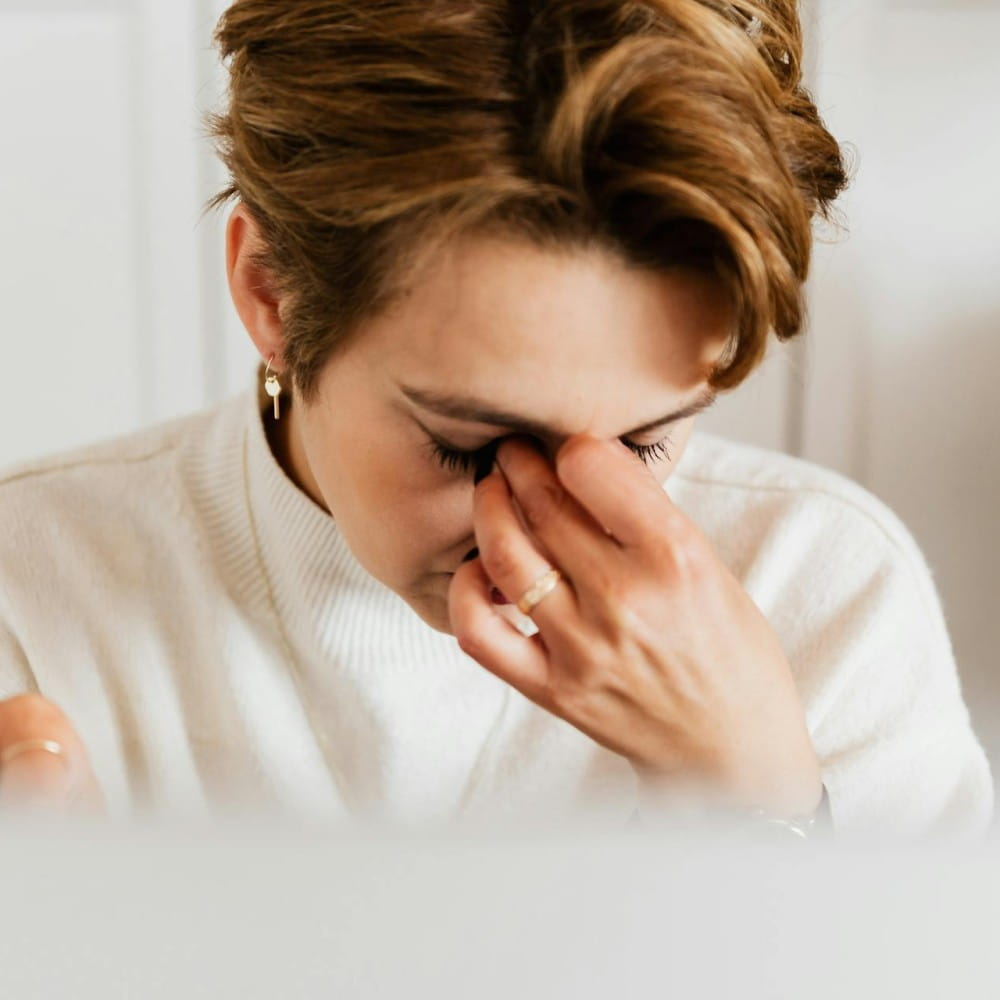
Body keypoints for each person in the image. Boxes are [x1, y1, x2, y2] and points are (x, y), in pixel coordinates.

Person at [0, 0, 991, 840]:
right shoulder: (33, 588)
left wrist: (761, 804)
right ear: (270, 294)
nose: (550, 527)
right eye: (470, 444)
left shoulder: (828, 597)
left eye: (646, 443)